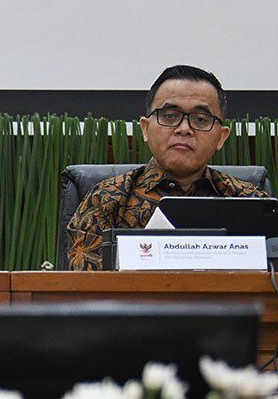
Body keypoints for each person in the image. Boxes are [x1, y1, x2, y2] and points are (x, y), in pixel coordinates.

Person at [67, 65, 269, 271]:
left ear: (221, 137)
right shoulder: (106, 199)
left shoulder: (252, 202)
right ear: (145, 128)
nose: (184, 129)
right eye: (170, 116)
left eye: (200, 119)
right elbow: (86, 291)